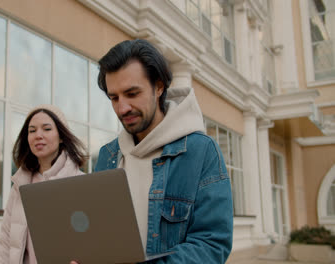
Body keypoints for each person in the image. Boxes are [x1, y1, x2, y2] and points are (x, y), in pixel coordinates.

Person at [71, 39, 233, 264]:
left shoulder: (202, 151)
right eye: (114, 97)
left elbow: (212, 244)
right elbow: (98, 234)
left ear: (159, 87)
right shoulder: (107, 156)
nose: (122, 108)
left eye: (132, 93)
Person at [0, 104, 86, 264]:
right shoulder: (19, 185)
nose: (38, 135)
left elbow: (90, 242)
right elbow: (5, 241)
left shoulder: (80, 183)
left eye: (46, 129)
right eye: (32, 131)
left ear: (61, 137)